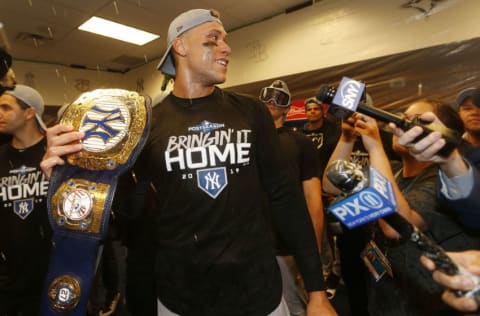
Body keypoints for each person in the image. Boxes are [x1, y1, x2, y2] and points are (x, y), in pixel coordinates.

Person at [40, 8, 336, 316]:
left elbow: (286, 198)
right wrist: (69, 178)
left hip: (259, 294)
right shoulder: (147, 125)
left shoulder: (251, 112)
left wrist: (317, 291)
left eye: (225, 39)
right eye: (213, 39)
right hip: (181, 299)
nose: (226, 47)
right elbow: (125, 213)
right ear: (180, 47)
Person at [323, 99, 479, 315]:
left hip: (428, 303)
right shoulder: (392, 171)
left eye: (415, 120)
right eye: (401, 118)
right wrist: (347, 137)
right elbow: (330, 185)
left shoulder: (444, 182)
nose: (399, 125)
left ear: (440, 134)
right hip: (386, 296)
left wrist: (375, 147)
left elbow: (395, 227)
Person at [260, 80, 332, 315]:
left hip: (289, 246)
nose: (271, 102)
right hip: (255, 245)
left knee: (296, 308)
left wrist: (312, 255)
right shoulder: (248, 145)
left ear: (288, 108)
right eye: (267, 97)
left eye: (278, 99)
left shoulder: (301, 142)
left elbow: (313, 199)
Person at [0, 84, 51, 316]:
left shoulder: (55, 153)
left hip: (52, 269)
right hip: (9, 277)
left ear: (30, 113)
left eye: (5, 108)